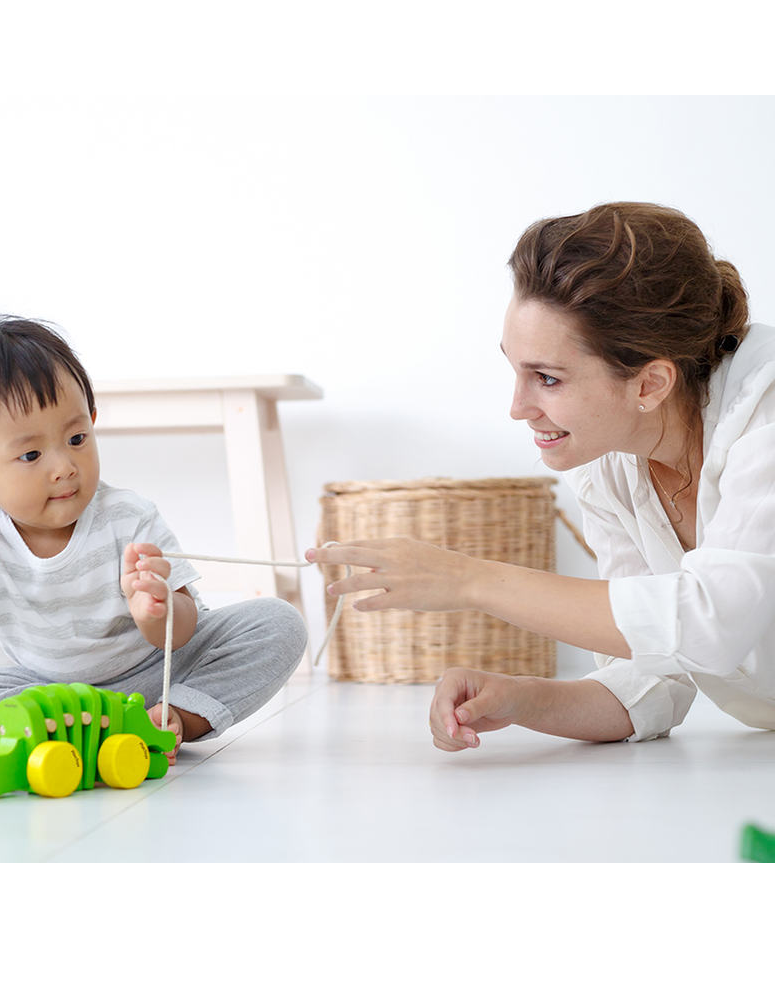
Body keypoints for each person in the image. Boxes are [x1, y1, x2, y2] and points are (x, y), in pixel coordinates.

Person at [308, 201, 775, 752]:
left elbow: (708, 624)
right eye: (515, 369)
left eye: (547, 379)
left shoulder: (764, 416)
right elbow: (651, 676)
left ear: (650, 384)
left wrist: (469, 580)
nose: (518, 407)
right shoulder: (608, 457)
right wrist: (519, 698)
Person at [0, 316, 306, 759]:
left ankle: (173, 719)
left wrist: (155, 610)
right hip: (53, 693)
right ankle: (73, 734)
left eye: (77, 439)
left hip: (157, 678)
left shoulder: (129, 516)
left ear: (93, 420)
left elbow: (180, 633)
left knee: (278, 623)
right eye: (32, 454)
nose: (64, 466)